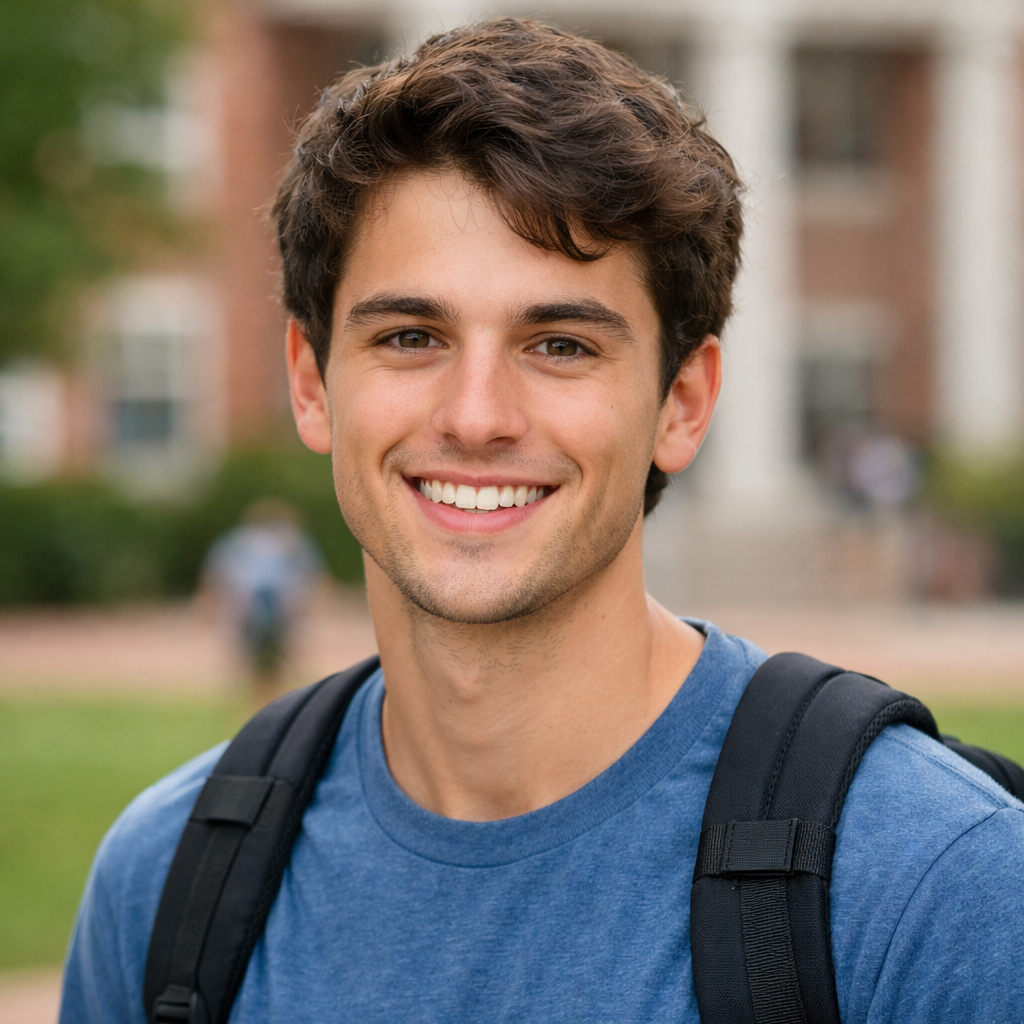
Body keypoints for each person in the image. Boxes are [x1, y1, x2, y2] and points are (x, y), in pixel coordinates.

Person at [60, 20, 1023, 1023]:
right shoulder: (167, 882)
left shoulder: (934, 884)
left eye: (559, 344)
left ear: (680, 404)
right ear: (310, 384)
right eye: (409, 335)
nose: (476, 416)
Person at [201, 498, 324, 704]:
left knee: (248, 662)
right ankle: (288, 702)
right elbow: (313, 577)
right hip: (277, 607)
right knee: (284, 661)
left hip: (249, 607)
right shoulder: (293, 540)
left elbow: (215, 575)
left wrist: (209, 607)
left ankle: (250, 704)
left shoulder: (236, 541)